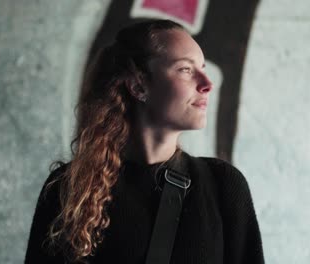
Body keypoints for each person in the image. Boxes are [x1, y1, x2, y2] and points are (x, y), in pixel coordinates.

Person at [24, 19, 264, 264]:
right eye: (186, 69)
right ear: (138, 86)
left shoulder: (224, 186)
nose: (207, 84)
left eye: (202, 68)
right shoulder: (69, 189)